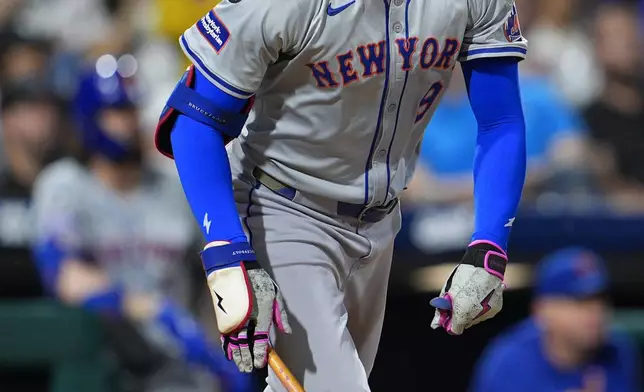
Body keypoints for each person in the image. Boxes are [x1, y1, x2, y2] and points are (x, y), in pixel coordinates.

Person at [155, 0, 528, 390]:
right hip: (285, 209)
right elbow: (193, 119)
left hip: (383, 221)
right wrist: (225, 248)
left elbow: (500, 120)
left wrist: (490, 243)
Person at [31, 61, 253, 392]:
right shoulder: (64, 184)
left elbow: (214, 272)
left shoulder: (172, 186)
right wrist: (150, 309)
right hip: (103, 360)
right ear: (89, 120)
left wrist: (220, 343)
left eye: (132, 111)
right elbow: (64, 276)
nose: (128, 124)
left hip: (178, 367)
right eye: (116, 113)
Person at [471, 248, 640, 392]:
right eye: (579, 302)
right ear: (542, 310)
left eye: (600, 300)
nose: (595, 312)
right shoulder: (509, 366)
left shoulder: (619, 352)